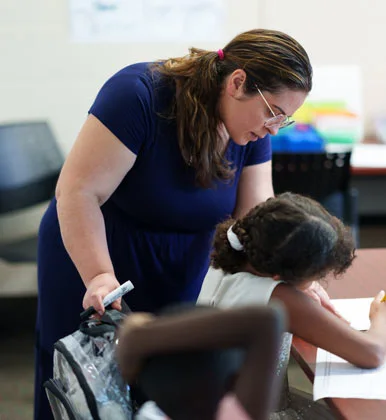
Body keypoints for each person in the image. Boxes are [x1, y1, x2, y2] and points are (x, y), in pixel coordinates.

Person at [35, 28, 316, 419]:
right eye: (274, 113)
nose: (274, 128)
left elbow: (257, 221)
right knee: (90, 393)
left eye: (284, 120)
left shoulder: (252, 129)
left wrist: (296, 275)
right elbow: (79, 193)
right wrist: (99, 275)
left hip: (182, 266)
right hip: (97, 256)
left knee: (171, 389)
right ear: (237, 83)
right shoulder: (138, 95)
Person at [197, 192, 386, 371]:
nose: (317, 282)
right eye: (318, 276)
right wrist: (380, 317)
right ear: (280, 276)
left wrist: (304, 285)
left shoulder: (231, 257)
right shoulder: (279, 297)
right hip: (245, 405)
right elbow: (373, 353)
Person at [116, 304, 287, 420]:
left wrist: (137, 340)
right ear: (234, 383)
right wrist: (138, 338)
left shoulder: (151, 412)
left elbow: (268, 321)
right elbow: (268, 320)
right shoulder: (235, 413)